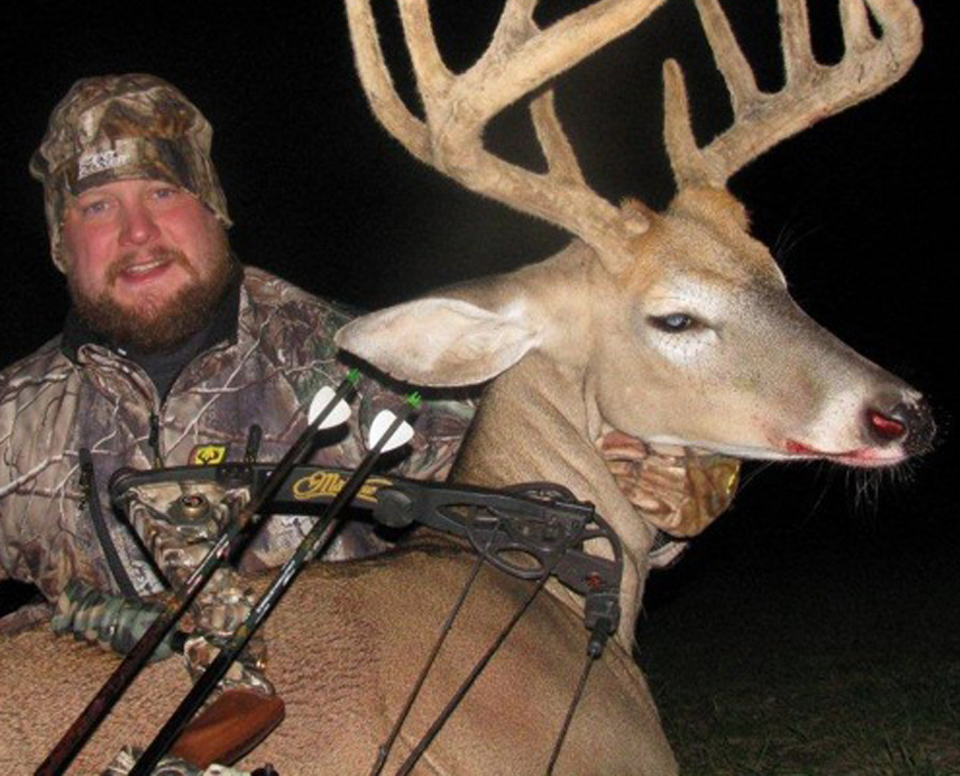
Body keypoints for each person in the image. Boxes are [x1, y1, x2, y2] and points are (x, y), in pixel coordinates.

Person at [0, 73, 738, 617]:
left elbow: (552, 512)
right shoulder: (15, 421)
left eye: (163, 194)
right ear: (63, 243)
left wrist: (659, 493)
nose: (136, 235)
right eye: (96, 207)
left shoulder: (365, 367)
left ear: (214, 211)